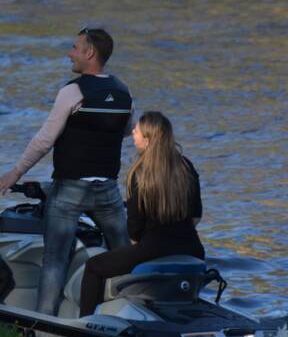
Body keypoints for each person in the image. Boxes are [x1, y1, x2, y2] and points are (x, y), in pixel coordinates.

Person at [0, 27, 134, 315]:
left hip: (70, 190)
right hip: (108, 191)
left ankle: (42, 327)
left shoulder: (73, 91)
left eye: (74, 47)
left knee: (55, 260)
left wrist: (15, 173)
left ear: (89, 53)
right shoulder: (122, 91)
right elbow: (130, 130)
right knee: (124, 256)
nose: (70, 53)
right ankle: (132, 311)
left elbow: (45, 140)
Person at [78, 111, 204, 317]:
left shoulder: (140, 172)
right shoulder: (186, 166)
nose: (132, 132)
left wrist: (140, 244)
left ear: (147, 139)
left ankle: (85, 328)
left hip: (153, 248)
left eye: (136, 130)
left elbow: (135, 229)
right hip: (192, 248)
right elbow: (196, 215)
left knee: (93, 267)